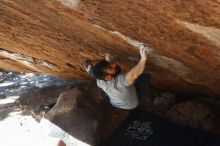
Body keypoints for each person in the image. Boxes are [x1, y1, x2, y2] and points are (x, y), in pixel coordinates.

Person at [84, 47, 151, 110]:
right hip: (131, 104)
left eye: (109, 65)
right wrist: (143, 59)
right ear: (108, 77)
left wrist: (107, 60)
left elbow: (93, 73)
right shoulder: (119, 82)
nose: (114, 65)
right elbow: (133, 74)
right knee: (145, 76)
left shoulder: (99, 81)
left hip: (114, 103)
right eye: (110, 68)